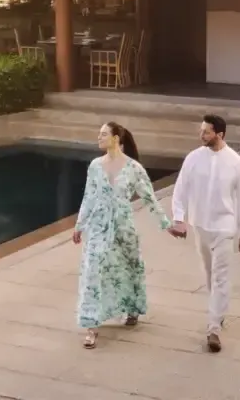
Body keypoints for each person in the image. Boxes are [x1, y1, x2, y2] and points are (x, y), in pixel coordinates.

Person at [73, 121, 170, 349]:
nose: (99, 137)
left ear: (116, 138)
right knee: (93, 271)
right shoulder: (95, 166)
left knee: (127, 267)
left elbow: (149, 198)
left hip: (123, 227)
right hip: (98, 227)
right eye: (99, 134)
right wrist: (79, 225)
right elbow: (88, 197)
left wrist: (166, 224)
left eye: (104, 134)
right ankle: (91, 325)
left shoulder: (134, 168)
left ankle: (132, 307)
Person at [170, 113, 240, 353]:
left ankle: (213, 328)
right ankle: (218, 311)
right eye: (201, 131)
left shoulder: (237, 163)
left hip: (225, 228)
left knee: (220, 277)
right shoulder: (194, 158)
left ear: (220, 134)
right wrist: (179, 218)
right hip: (201, 226)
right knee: (209, 275)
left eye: (206, 132)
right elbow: (181, 189)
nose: (201, 135)